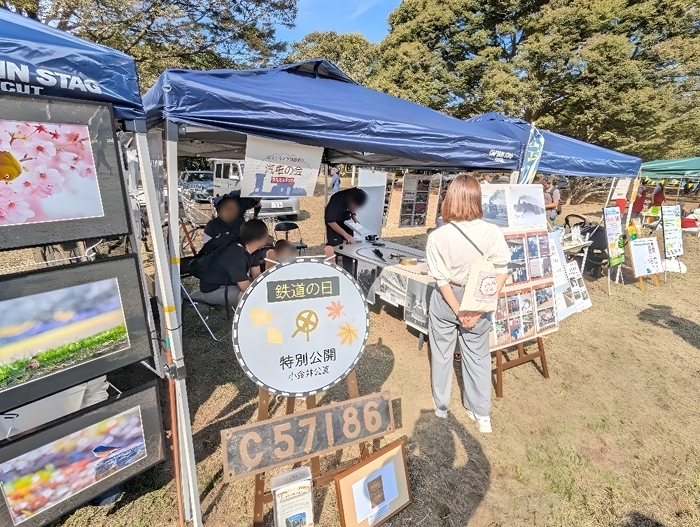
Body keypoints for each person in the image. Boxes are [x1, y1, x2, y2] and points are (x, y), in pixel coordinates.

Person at [425, 175, 510, 433]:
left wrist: (459, 309)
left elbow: (440, 279)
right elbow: (502, 271)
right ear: (477, 198)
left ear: (450, 198)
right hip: (480, 295)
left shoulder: (438, 235)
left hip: (446, 297)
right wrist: (477, 306)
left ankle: (441, 406)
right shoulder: (492, 232)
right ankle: (481, 412)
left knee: (441, 352)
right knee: (478, 355)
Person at [196, 219, 269, 309]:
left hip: (230, 283)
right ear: (259, 239)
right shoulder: (235, 254)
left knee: (260, 294)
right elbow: (245, 287)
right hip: (214, 290)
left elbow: (257, 274)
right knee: (249, 297)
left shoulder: (253, 251)